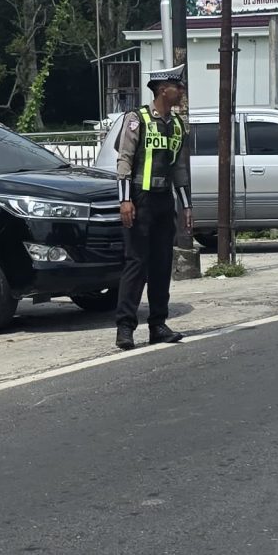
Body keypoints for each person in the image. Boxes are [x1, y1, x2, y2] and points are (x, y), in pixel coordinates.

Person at [112, 65, 192, 350]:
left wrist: (186, 206)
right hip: (140, 198)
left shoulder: (178, 124)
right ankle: (125, 328)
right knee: (136, 263)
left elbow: (180, 168)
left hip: (164, 200)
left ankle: (158, 324)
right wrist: (125, 200)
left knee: (161, 264)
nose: (181, 91)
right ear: (162, 89)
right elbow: (124, 159)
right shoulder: (137, 119)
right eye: (177, 87)